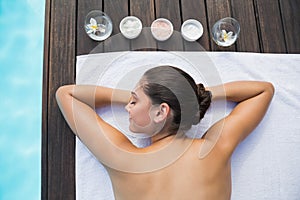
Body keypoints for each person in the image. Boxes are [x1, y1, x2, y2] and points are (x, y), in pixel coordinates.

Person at [56, 65, 274, 200]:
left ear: (161, 112)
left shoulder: (123, 159)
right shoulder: (214, 149)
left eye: (133, 101)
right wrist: (193, 97)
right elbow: (263, 91)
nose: (127, 107)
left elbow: (66, 95)